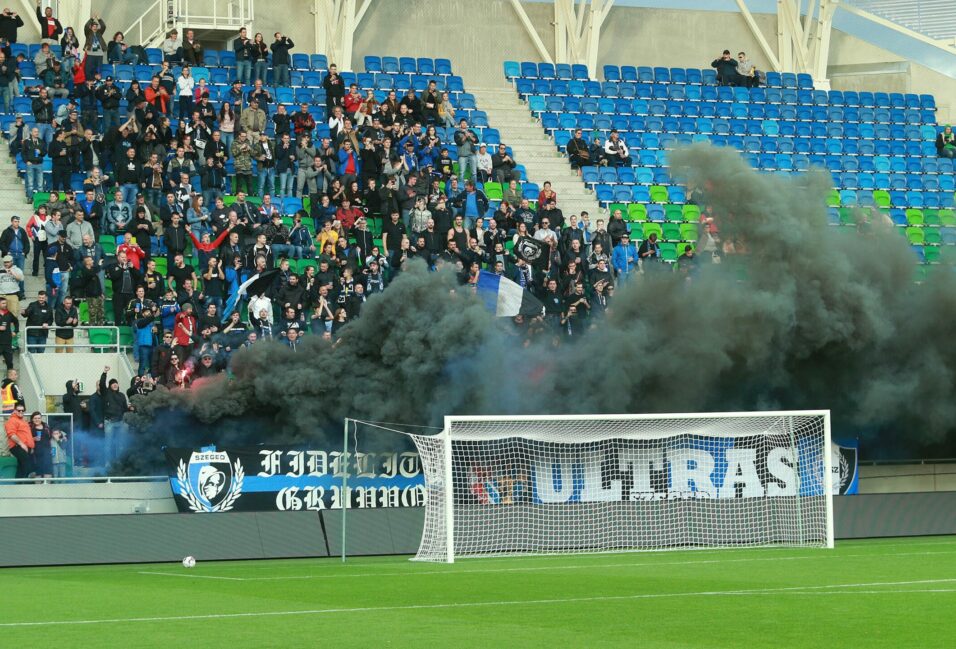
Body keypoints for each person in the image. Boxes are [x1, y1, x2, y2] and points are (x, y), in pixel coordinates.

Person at [99, 365, 129, 465]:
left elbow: (125, 408)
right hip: (109, 422)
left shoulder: (122, 395)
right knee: (108, 444)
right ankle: (107, 463)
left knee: (120, 444)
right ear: (110, 385)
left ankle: (119, 463)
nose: (115, 385)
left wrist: (130, 409)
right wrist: (104, 372)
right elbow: (102, 384)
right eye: (113, 384)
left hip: (121, 422)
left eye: (116, 383)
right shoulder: (106, 393)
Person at [6, 403, 33, 478]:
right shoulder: (12, 421)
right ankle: (30, 478)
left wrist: (31, 446)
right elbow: (11, 435)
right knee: (27, 462)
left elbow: (26, 435)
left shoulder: (23, 421)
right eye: (19, 410)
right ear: (15, 411)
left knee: (21, 467)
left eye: (22, 410)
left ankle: (18, 484)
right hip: (17, 446)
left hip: (25, 447)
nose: (21, 412)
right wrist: (22, 444)